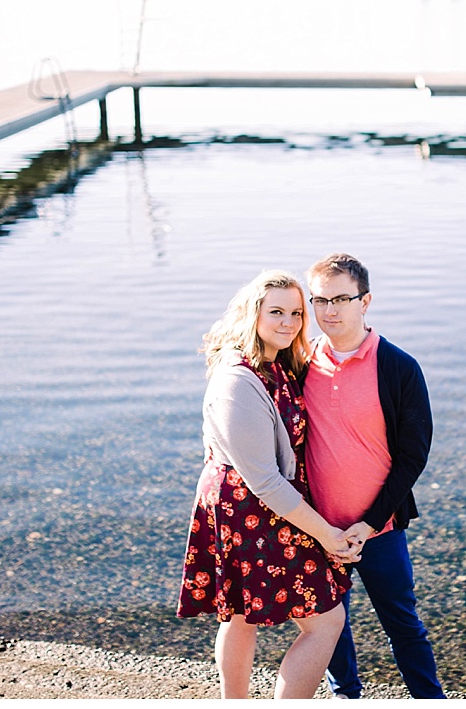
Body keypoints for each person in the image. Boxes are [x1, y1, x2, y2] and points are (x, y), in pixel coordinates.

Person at [176, 270, 363, 699]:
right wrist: (328, 535)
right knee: (325, 622)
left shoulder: (276, 363)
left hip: (258, 501)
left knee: (239, 615)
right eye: (276, 311)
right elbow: (265, 481)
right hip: (249, 506)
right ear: (251, 313)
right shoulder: (236, 382)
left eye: (297, 312)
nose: (289, 322)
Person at [303, 253, 446, 699]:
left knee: (403, 623)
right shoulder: (300, 363)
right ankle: (346, 696)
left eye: (341, 299)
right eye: (320, 300)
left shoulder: (400, 367)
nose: (329, 311)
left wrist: (367, 524)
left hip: (379, 529)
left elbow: (412, 456)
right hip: (318, 530)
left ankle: (429, 699)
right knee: (329, 627)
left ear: (365, 301)